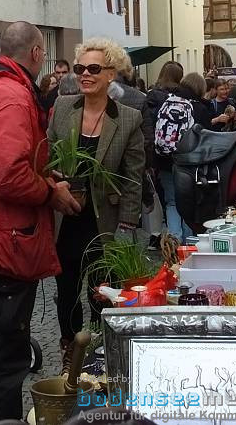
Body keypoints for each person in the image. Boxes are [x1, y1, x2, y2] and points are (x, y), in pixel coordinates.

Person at [0, 22, 81, 425]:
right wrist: (49, 192)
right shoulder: (11, 94)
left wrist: (44, 179)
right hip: (4, 239)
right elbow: (7, 173)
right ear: (38, 54)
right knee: (5, 357)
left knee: (4, 350)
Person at [49, 39, 145, 356]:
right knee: (66, 290)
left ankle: (101, 350)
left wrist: (128, 226)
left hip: (106, 222)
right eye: (80, 69)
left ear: (110, 75)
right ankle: (71, 347)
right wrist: (54, 180)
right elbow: (48, 155)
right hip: (67, 217)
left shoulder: (128, 118)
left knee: (101, 291)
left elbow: (133, 177)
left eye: (93, 69)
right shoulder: (63, 108)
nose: (84, 75)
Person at [142, 61, 186, 240]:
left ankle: (174, 238)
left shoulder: (152, 97)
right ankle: (189, 240)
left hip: (161, 157)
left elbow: (148, 128)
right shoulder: (183, 96)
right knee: (185, 199)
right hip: (184, 157)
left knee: (170, 200)